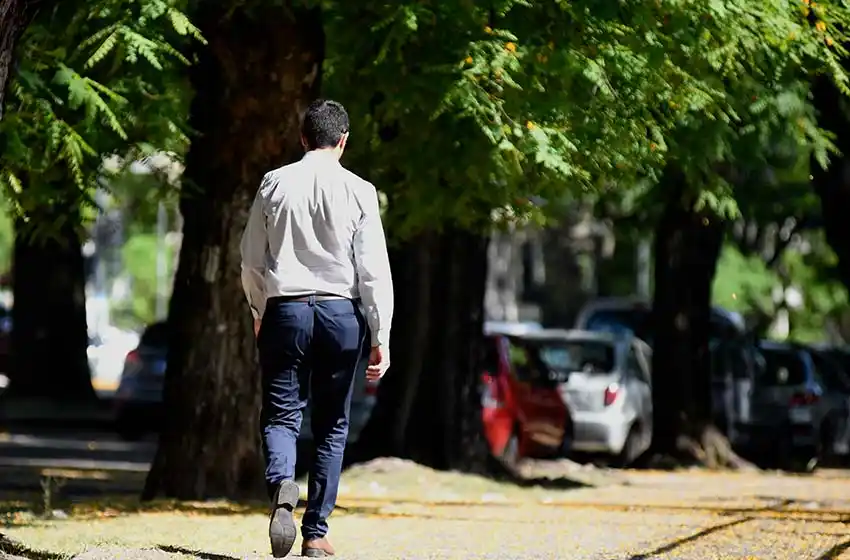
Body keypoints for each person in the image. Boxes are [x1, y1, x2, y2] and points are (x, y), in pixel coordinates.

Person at [240, 99, 393, 558]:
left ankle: (282, 481)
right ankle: (315, 532)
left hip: (285, 308)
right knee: (332, 423)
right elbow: (373, 271)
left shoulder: (274, 183)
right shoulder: (360, 190)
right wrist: (380, 336)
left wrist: (258, 309)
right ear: (343, 140)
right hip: (339, 314)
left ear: (303, 138)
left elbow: (251, 259)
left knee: (282, 411)